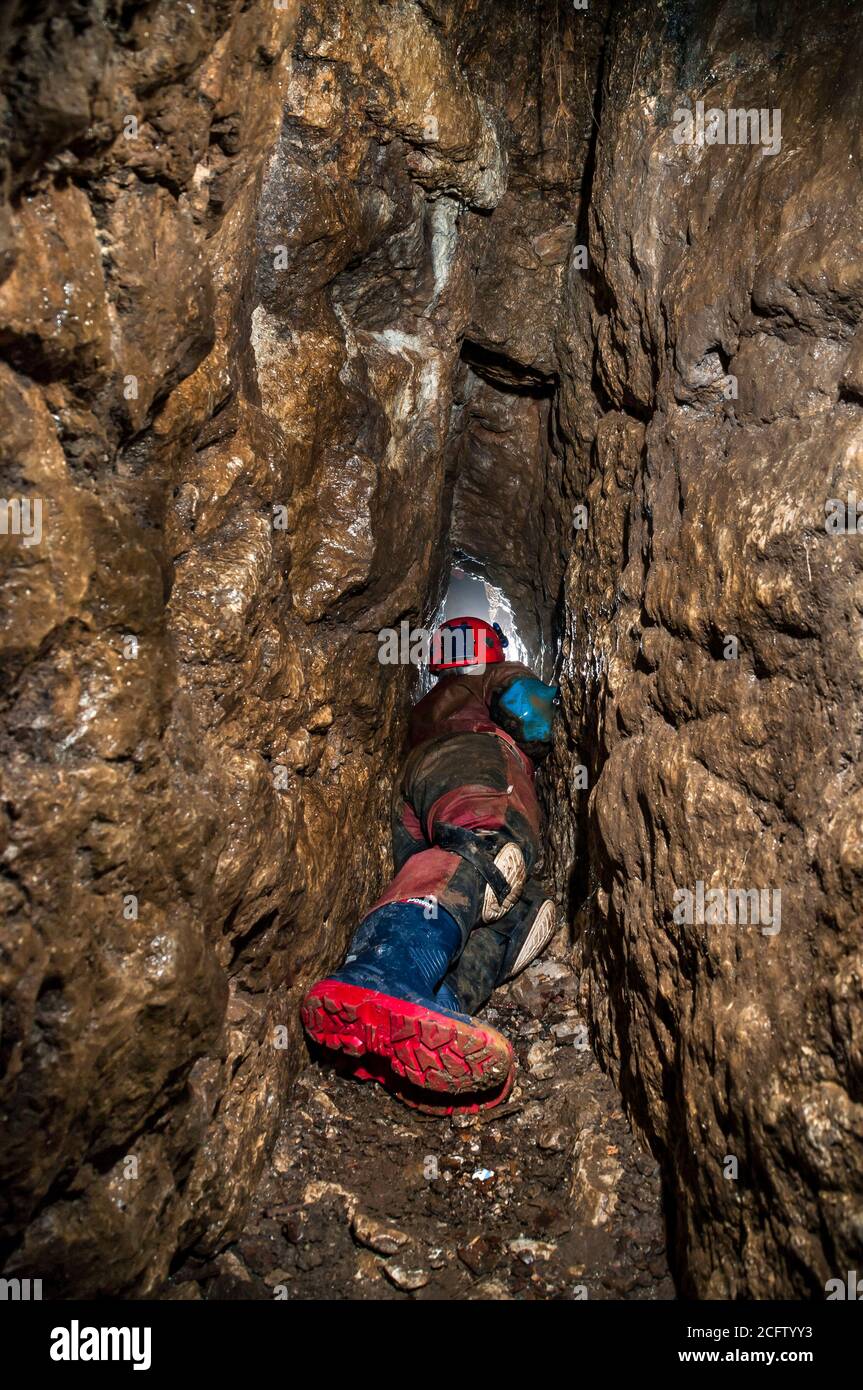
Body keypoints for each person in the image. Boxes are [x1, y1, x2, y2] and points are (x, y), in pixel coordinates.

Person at [301, 615, 560, 1113]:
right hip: (476, 759)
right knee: (487, 851)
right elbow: (529, 712)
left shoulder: (425, 706)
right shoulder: (493, 673)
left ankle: (435, 1015)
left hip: (416, 798)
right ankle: (385, 971)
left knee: (516, 907)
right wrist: (551, 714)